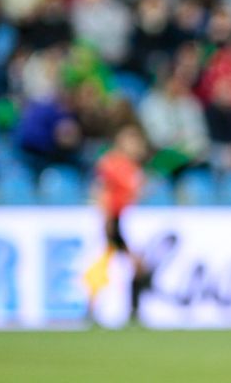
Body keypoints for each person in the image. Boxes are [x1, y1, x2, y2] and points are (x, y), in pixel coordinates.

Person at [84, 122, 152, 323]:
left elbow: (133, 195)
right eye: (132, 141)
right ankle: (95, 309)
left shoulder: (133, 168)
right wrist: (105, 218)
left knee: (126, 265)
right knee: (106, 264)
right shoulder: (111, 163)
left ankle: (131, 311)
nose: (136, 145)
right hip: (110, 219)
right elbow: (101, 190)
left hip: (122, 219)